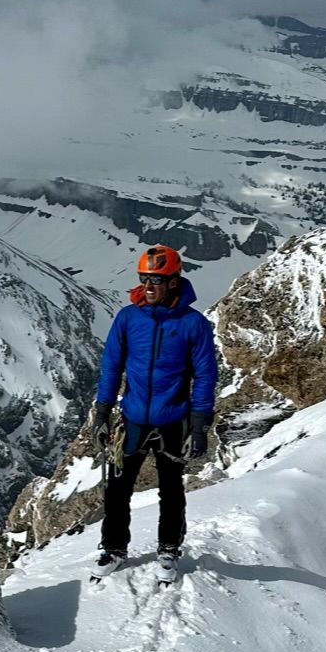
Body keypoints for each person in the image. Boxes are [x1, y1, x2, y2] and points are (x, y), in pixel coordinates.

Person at [91, 244, 217, 575]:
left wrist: (200, 423)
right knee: (118, 489)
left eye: (156, 280)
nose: (148, 286)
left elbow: (205, 375)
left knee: (171, 490)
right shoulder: (128, 318)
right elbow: (111, 366)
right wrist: (102, 412)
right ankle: (113, 548)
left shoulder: (193, 324)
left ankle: (169, 549)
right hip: (132, 417)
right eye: (144, 278)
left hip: (174, 419)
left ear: (174, 281)